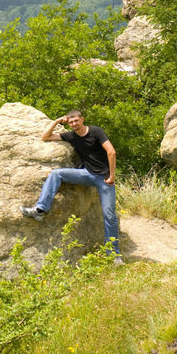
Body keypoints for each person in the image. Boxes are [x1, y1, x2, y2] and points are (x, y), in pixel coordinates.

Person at [20, 110, 123, 263]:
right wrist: (56, 122)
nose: (74, 124)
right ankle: (40, 209)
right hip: (87, 174)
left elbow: (111, 152)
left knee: (110, 216)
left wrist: (112, 175)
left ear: (82, 119)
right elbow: (45, 137)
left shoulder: (96, 131)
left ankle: (113, 254)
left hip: (105, 178)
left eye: (76, 120)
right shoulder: (71, 136)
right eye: (70, 122)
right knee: (56, 174)